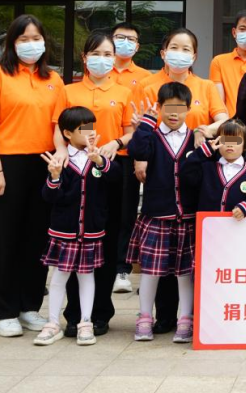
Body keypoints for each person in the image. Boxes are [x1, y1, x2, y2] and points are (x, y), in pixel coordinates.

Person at [0, 14, 69, 338]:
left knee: (36, 239)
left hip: (43, 164)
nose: (31, 44)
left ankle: (29, 306)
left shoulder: (53, 79)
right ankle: (3, 311)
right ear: (12, 43)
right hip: (6, 163)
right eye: (24, 39)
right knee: (3, 239)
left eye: (36, 38)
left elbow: (58, 124)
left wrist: (61, 152)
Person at [61, 31, 138, 337]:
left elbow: (131, 131)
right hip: (75, 170)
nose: (102, 60)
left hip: (111, 169)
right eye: (96, 54)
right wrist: (61, 154)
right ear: (84, 57)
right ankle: (73, 313)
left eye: (108, 55)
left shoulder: (123, 92)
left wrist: (115, 143)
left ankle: (101, 312)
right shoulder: (68, 91)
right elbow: (57, 129)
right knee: (75, 240)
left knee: (107, 239)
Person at [128, 82, 201, 343]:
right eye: (168, 107)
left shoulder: (195, 138)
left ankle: (185, 319)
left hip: (187, 217)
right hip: (157, 215)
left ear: (188, 109)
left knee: (185, 272)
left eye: (179, 108)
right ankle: (144, 317)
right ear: (159, 108)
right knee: (151, 270)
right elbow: (136, 150)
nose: (174, 113)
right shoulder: (152, 135)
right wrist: (146, 124)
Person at [35, 106, 110, 346]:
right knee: (59, 275)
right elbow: (48, 197)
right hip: (64, 229)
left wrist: (100, 161)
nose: (90, 132)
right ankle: (52, 322)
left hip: (91, 229)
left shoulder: (98, 157)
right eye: (83, 129)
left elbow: (113, 180)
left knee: (86, 275)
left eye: (92, 127)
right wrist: (55, 176)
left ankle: (85, 322)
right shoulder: (58, 159)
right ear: (67, 133)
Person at [109, 21, 151, 295]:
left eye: (131, 39)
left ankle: (121, 269)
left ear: (137, 46)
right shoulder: (97, 71)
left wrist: (138, 155)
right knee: (99, 212)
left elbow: (142, 121)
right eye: (119, 37)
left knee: (126, 214)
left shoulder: (144, 78)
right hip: (96, 155)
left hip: (126, 154)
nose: (125, 42)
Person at [186, 120, 246, 218]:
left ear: (245, 146)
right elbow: (186, 173)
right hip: (208, 225)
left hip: (238, 225)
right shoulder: (207, 167)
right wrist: (203, 151)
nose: (230, 144)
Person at [210, 9, 246, 116]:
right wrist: (227, 123)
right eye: (242, 29)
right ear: (234, 32)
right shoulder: (218, 61)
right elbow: (218, 103)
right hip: (229, 123)